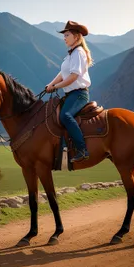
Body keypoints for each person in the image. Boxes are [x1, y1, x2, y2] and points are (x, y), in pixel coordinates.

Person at [45, 20, 93, 162]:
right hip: (71, 94)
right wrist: (50, 84)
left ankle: (82, 149)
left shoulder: (78, 52)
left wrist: (56, 87)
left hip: (79, 94)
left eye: (67, 35)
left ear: (76, 37)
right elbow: (62, 74)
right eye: (64, 35)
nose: (64, 38)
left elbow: (73, 77)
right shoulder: (70, 54)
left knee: (65, 116)